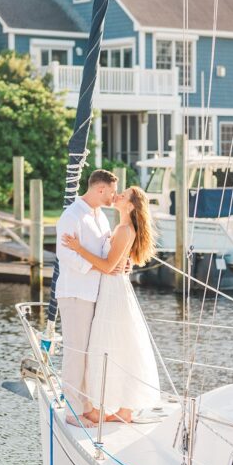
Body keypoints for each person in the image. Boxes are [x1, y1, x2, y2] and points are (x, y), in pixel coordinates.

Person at [61, 186, 160, 424]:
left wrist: (77, 248)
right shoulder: (119, 227)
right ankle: (122, 410)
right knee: (116, 343)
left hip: (113, 291)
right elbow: (115, 261)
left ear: (131, 205)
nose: (118, 196)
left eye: (123, 195)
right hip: (111, 289)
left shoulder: (125, 229)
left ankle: (122, 409)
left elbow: (107, 266)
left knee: (113, 343)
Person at [55, 168, 119, 427]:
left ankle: (88, 406)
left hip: (96, 293)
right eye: (112, 192)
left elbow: (106, 252)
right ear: (100, 189)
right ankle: (72, 410)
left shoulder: (102, 217)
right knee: (75, 352)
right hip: (75, 293)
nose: (114, 197)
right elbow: (65, 255)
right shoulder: (71, 215)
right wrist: (99, 266)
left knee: (89, 352)